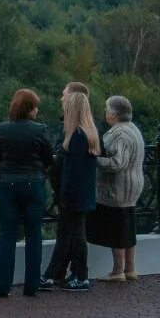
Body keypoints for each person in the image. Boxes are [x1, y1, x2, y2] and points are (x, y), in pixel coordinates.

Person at [0, 89, 53, 298]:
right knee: (33, 234)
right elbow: (48, 158)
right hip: (33, 183)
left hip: (7, 184)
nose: (37, 111)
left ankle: (4, 285)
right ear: (29, 108)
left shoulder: (1, 129)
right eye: (35, 107)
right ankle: (31, 285)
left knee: (7, 234)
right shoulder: (40, 130)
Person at [41, 91, 99, 292]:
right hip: (83, 191)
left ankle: (81, 275)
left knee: (75, 235)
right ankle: (55, 274)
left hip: (73, 193)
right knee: (71, 234)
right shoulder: (88, 133)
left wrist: (64, 193)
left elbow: (71, 170)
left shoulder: (76, 136)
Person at [88, 96, 146, 282]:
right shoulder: (134, 130)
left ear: (113, 114)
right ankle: (130, 268)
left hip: (118, 188)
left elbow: (117, 163)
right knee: (128, 226)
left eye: (106, 110)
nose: (105, 113)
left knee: (117, 228)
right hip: (133, 185)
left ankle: (117, 271)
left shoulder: (119, 133)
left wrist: (93, 159)